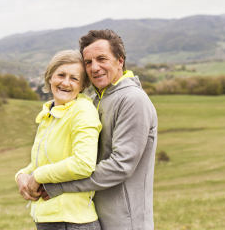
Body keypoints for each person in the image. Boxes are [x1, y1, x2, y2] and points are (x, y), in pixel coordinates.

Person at [38, 30, 158, 230]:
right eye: (88, 62)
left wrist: (59, 187)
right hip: (93, 218)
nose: (95, 67)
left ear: (120, 61)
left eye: (102, 58)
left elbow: (121, 166)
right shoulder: (93, 100)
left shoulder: (133, 100)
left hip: (126, 223)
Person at [15, 50, 103, 229]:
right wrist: (22, 175)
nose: (65, 83)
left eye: (74, 78)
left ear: (82, 84)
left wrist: (38, 176)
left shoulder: (82, 111)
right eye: (61, 75)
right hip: (50, 219)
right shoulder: (50, 113)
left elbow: (83, 164)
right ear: (50, 77)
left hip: (72, 222)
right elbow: (45, 161)